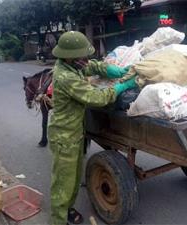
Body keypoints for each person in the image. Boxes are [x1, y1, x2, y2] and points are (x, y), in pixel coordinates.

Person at [48, 31, 137, 225]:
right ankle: (58, 219)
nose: (85, 60)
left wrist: (111, 70)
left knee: (74, 177)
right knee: (64, 182)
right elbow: (96, 98)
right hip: (64, 136)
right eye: (82, 56)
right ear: (70, 57)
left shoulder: (72, 65)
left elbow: (91, 66)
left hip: (74, 132)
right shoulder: (65, 77)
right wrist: (120, 87)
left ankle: (68, 209)